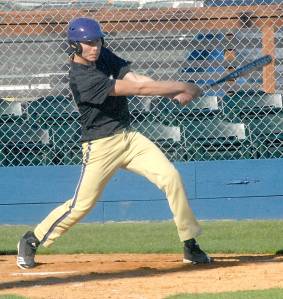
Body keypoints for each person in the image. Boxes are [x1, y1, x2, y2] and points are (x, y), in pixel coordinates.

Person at [16, 17, 212, 269]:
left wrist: (173, 92)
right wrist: (184, 85)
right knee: (81, 205)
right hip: (100, 145)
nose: (94, 47)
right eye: (87, 43)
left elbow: (135, 77)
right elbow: (136, 89)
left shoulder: (102, 55)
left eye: (97, 41)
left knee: (171, 177)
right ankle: (32, 239)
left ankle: (190, 243)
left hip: (128, 138)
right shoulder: (82, 77)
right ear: (75, 46)